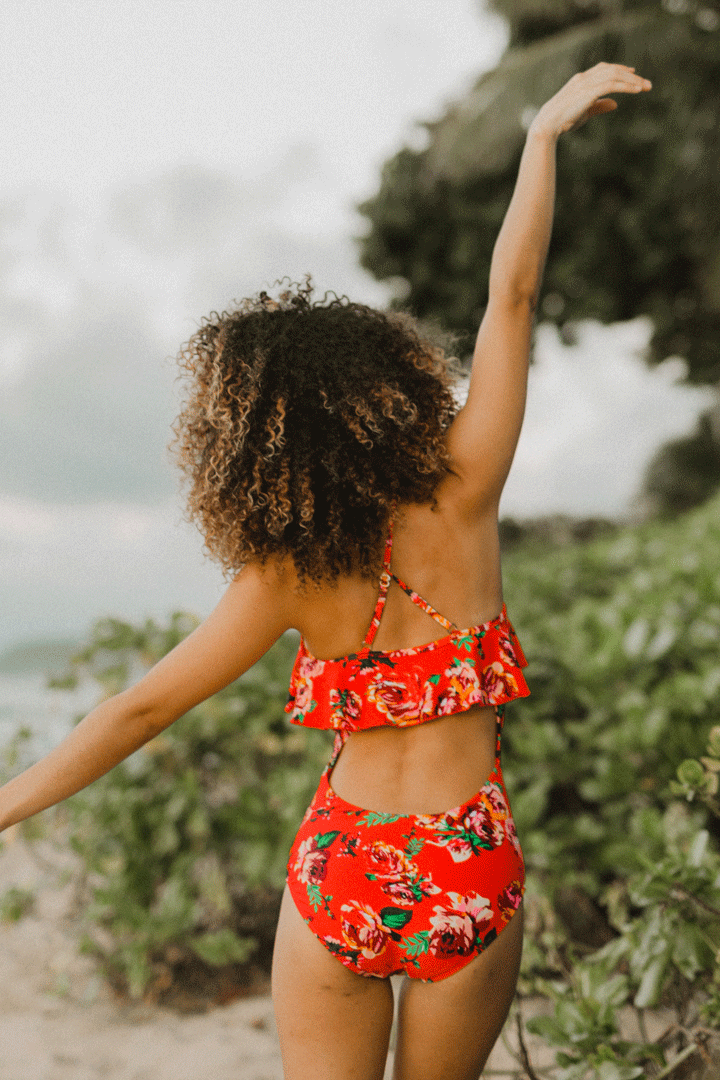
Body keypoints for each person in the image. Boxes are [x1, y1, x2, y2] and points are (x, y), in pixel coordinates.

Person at [0, 63, 651, 1080]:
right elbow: (511, 298)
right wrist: (540, 142)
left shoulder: (282, 577)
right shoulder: (466, 491)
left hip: (342, 864)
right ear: (382, 388)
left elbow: (138, 711)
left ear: (255, 447)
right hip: (463, 863)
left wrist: (3, 808)